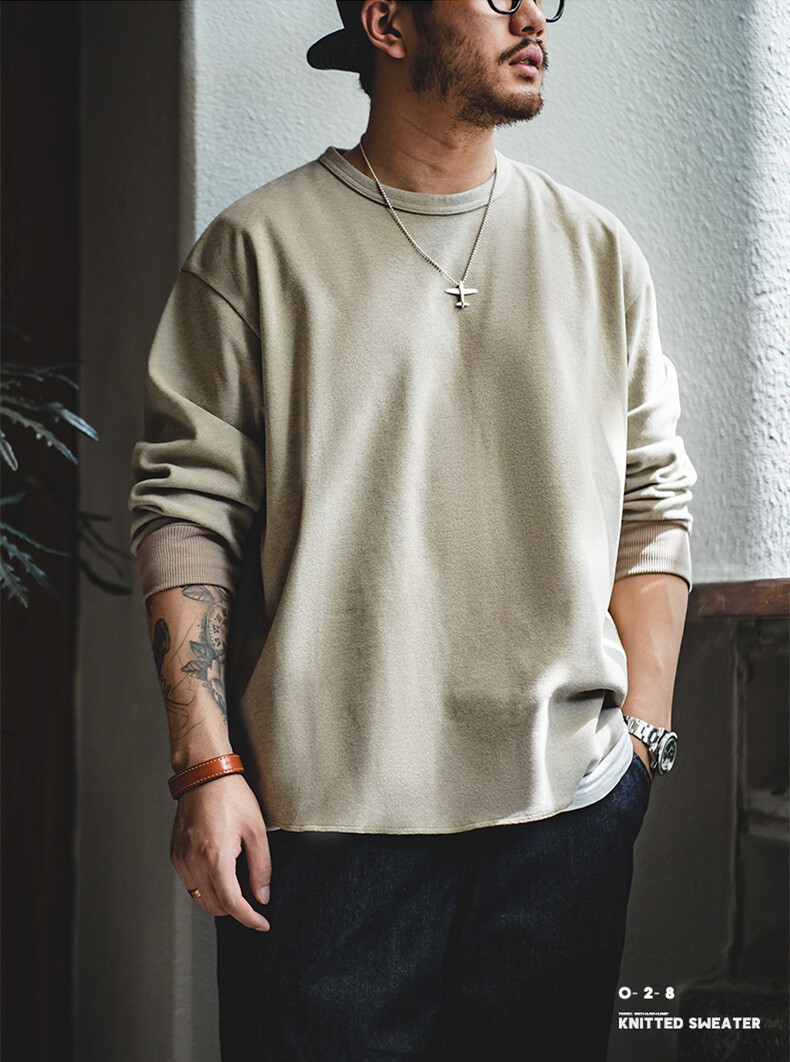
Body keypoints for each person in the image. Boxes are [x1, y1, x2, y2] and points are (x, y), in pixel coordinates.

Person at [128, 1, 696, 1058]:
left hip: (563, 822)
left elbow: (653, 503)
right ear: (387, 23)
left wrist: (640, 745)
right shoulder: (255, 250)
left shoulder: (596, 248)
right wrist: (206, 770)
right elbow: (186, 516)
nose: (530, 16)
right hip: (324, 831)